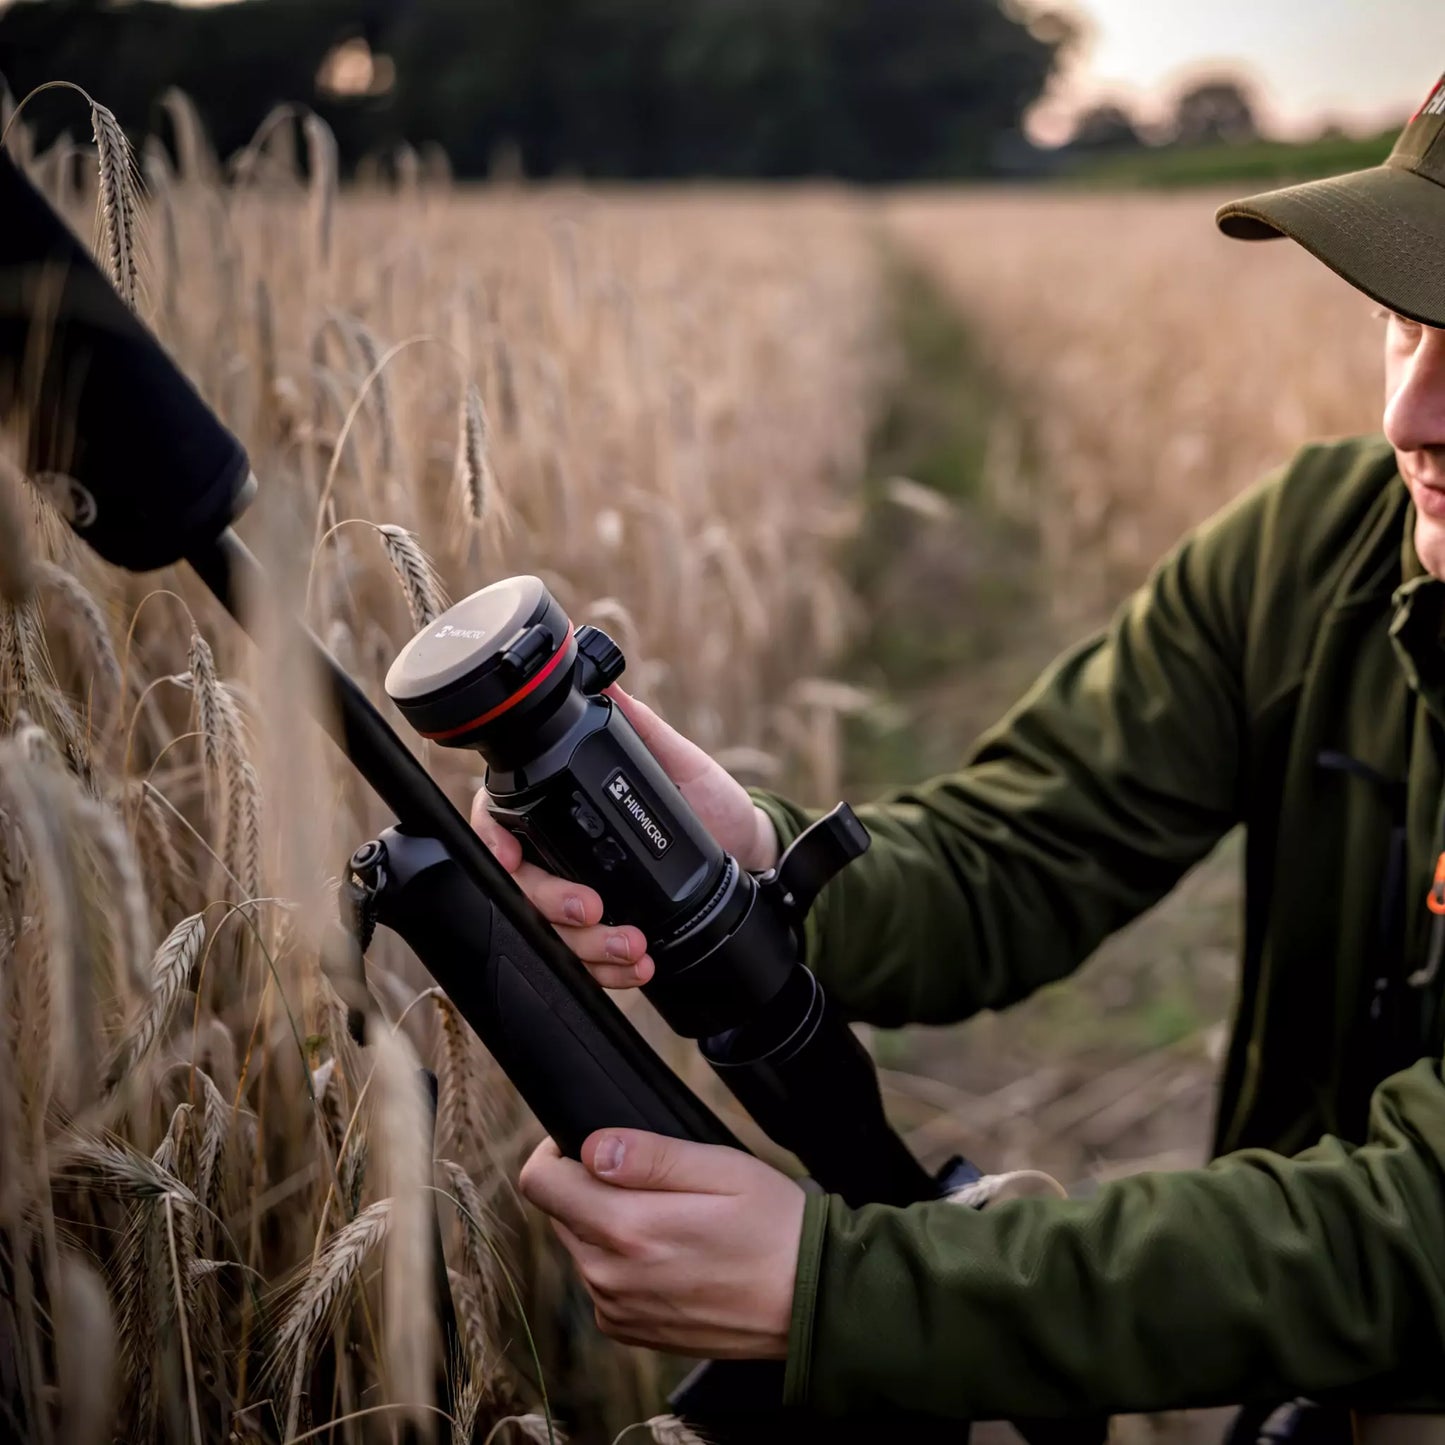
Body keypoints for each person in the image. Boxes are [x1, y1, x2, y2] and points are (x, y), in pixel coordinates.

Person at [471, 80, 1445, 1426]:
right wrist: (737, 859)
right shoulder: (1314, 545)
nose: (1410, 417)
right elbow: (1023, 846)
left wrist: (845, 1293)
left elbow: (1416, 1229)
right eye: (1401, 321)